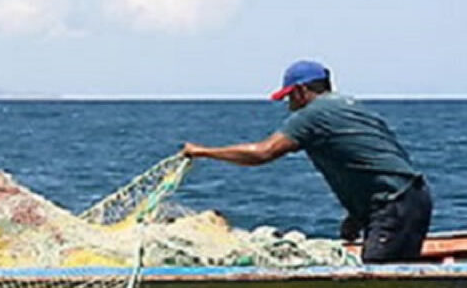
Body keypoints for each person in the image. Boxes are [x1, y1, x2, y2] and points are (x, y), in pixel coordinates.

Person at [181, 60, 432, 263]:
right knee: (394, 268)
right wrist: (357, 215)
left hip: (393, 205)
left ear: (301, 91)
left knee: (378, 282)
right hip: (412, 197)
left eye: (289, 98)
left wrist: (203, 151)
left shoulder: (313, 115)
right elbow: (375, 161)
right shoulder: (353, 108)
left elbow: (263, 152)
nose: (289, 106)